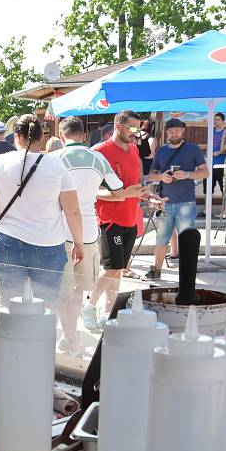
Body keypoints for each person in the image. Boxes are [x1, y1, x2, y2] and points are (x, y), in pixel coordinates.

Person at [0, 113, 85, 308]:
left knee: (8, 305)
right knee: (46, 307)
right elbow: (72, 210)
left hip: (7, 241)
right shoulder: (57, 166)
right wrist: (78, 243)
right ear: (42, 137)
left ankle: (10, 338)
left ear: (16, 136)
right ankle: (42, 339)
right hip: (48, 244)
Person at [53, 116, 124, 348]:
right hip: (89, 231)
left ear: (62, 136)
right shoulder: (98, 158)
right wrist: (95, 193)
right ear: (83, 135)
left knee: (62, 290)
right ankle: (70, 335)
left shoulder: (54, 158)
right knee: (77, 290)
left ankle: (68, 334)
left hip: (59, 230)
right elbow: (119, 192)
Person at [83, 110, 149, 328]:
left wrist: (147, 196)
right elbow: (91, 190)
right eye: (131, 128)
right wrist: (122, 194)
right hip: (110, 218)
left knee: (119, 268)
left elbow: (134, 185)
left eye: (138, 128)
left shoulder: (133, 150)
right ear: (118, 125)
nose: (136, 133)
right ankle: (90, 305)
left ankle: (107, 313)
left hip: (130, 217)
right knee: (111, 268)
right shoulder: (99, 152)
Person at [144, 118, 208, 279]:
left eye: (177, 130)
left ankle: (188, 272)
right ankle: (156, 270)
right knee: (161, 238)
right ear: (166, 133)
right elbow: (151, 175)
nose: (174, 133)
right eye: (171, 131)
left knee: (187, 239)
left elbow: (205, 172)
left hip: (186, 201)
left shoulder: (193, 149)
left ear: (183, 131)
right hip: (165, 201)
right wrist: (161, 177)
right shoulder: (161, 151)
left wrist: (187, 174)